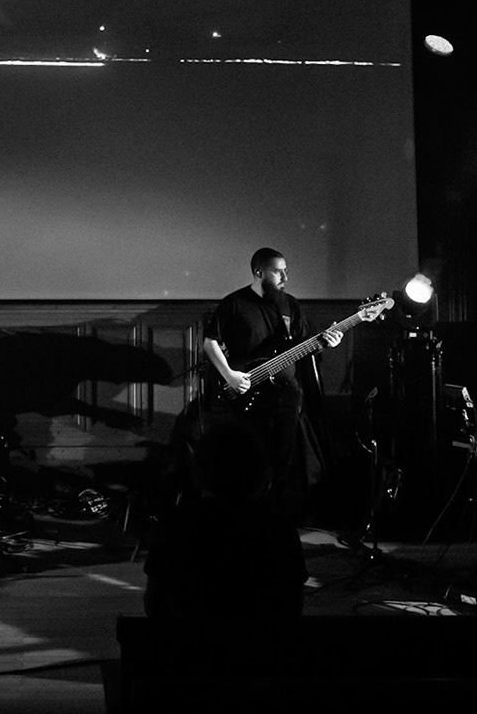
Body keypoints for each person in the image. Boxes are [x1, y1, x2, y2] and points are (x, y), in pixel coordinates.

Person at [202, 248, 341, 524]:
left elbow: (306, 344)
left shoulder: (290, 306)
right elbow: (210, 342)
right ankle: (246, 518)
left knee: (283, 458)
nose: (285, 277)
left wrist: (327, 340)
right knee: (251, 458)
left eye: (286, 270)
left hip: (287, 396)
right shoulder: (235, 303)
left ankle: (274, 520)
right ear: (259, 273)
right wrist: (229, 375)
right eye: (279, 271)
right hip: (247, 396)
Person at [143, 417, 306, 619]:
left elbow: (155, 604)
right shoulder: (279, 530)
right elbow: (292, 607)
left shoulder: (174, 526)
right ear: (260, 472)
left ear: (200, 468)